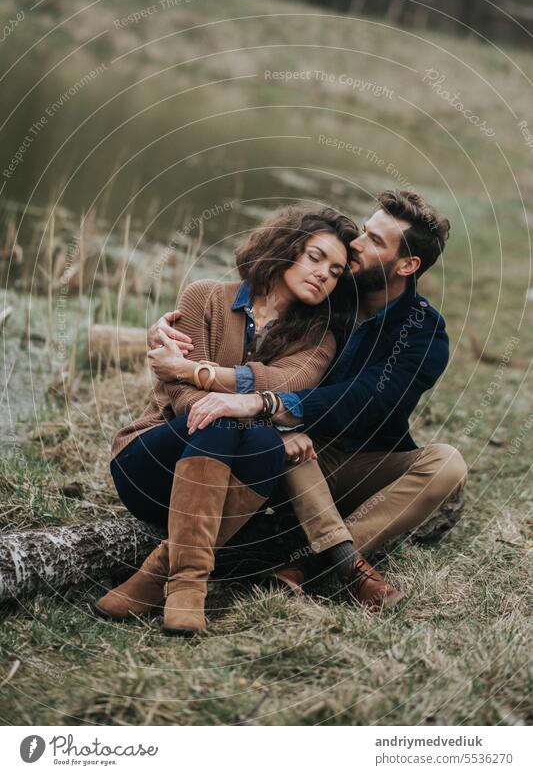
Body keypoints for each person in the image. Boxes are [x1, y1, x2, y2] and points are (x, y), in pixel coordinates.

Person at [182, 190, 469, 610]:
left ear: (407, 266)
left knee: (448, 464)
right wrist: (172, 331)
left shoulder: (424, 333)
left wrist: (274, 405)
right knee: (295, 445)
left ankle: (312, 563)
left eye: (375, 240)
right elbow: (253, 307)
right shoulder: (325, 290)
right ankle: (349, 566)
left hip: (359, 464)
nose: (356, 244)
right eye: (365, 230)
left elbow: (368, 400)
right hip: (284, 454)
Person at [95, 204, 360, 636]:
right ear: (286, 247)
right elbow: (178, 393)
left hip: (223, 489)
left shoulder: (320, 338)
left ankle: (170, 579)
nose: (323, 275)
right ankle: (180, 585)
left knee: (260, 441)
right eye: (315, 257)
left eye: (335, 271)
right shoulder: (204, 297)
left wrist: (201, 376)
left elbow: (288, 381)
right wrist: (259, 410)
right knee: (222, 419)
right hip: (150, 464)